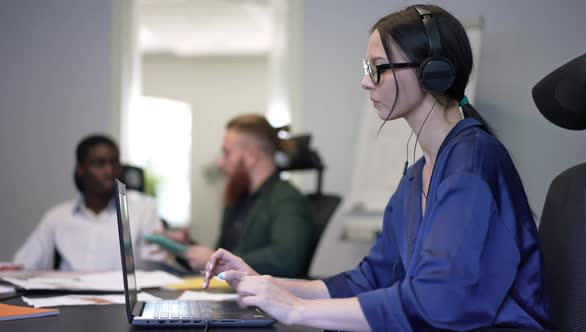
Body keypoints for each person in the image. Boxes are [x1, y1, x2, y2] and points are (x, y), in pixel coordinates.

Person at [201, 5, 552, 331]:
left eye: (377, 68)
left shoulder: (472, 162)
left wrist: (296, 309)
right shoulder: (416, 178)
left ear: (432, 73)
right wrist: (265, 284)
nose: (365, 81)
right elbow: (368, 279)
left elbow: (439, 299)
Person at [167, 114, 314, 278]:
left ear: (251, 156)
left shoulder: (287, 199)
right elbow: (222, 252)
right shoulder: (237, 198)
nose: (220, 163)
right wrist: (185, 247)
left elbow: (287, 259)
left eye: (227, 153)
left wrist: (218, 261)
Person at [14, 135, 164, 271]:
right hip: (69, 298)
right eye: (99, 164)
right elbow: (23, 265)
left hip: (122, 299)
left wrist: (170, 252)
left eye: (114, 163)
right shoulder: (57, 217)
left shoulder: (144, 210)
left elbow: (159, 267)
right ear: (80, 169)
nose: (109, 171)